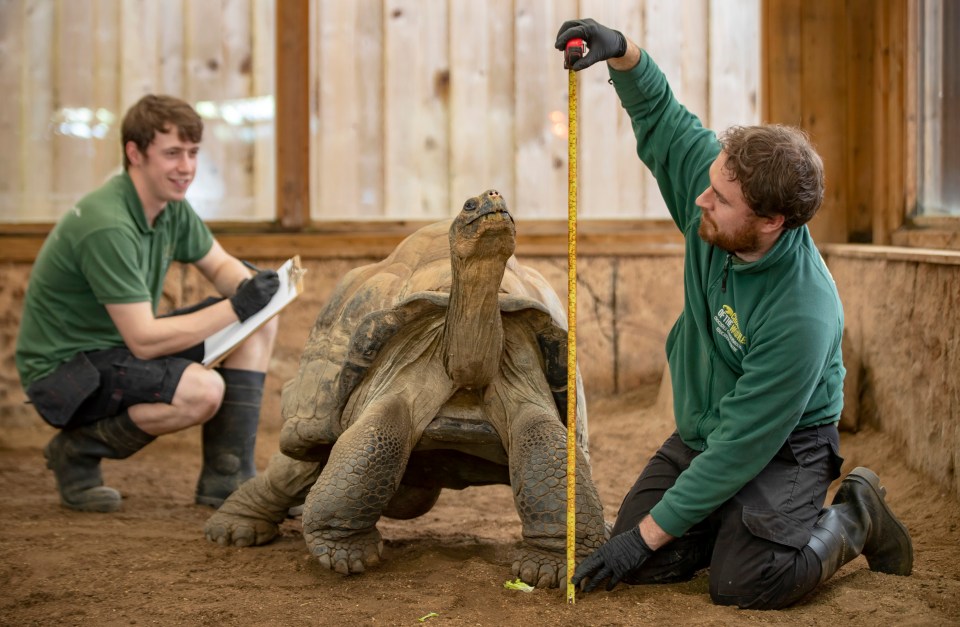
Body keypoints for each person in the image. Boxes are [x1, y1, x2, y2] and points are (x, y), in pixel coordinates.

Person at [555, 19, 913, 609]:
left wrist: (645, 537)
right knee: (642, 561)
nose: (701, 198)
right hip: (704, 429)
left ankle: (854, 518)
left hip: (784, 444)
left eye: (720, 199)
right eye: (712, 183)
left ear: (771, 221)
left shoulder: (804, 311)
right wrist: (620, 49)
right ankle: (735, 523)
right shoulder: (719, 193)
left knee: (745, 581)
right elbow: (663, 118)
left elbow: (743, 445)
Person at [15, 94, 281, 514]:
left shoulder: (170, 207)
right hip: (66, 373)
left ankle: (227, 477)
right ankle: (77, 451)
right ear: (134, 153)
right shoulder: (108, 223)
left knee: (260, 322)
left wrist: (258, 288)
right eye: (173, 154)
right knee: (202, 391)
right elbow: (143, 340)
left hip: (118, 347)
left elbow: (221, 267)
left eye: (193, 153)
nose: (187, 168)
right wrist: (238, 307)